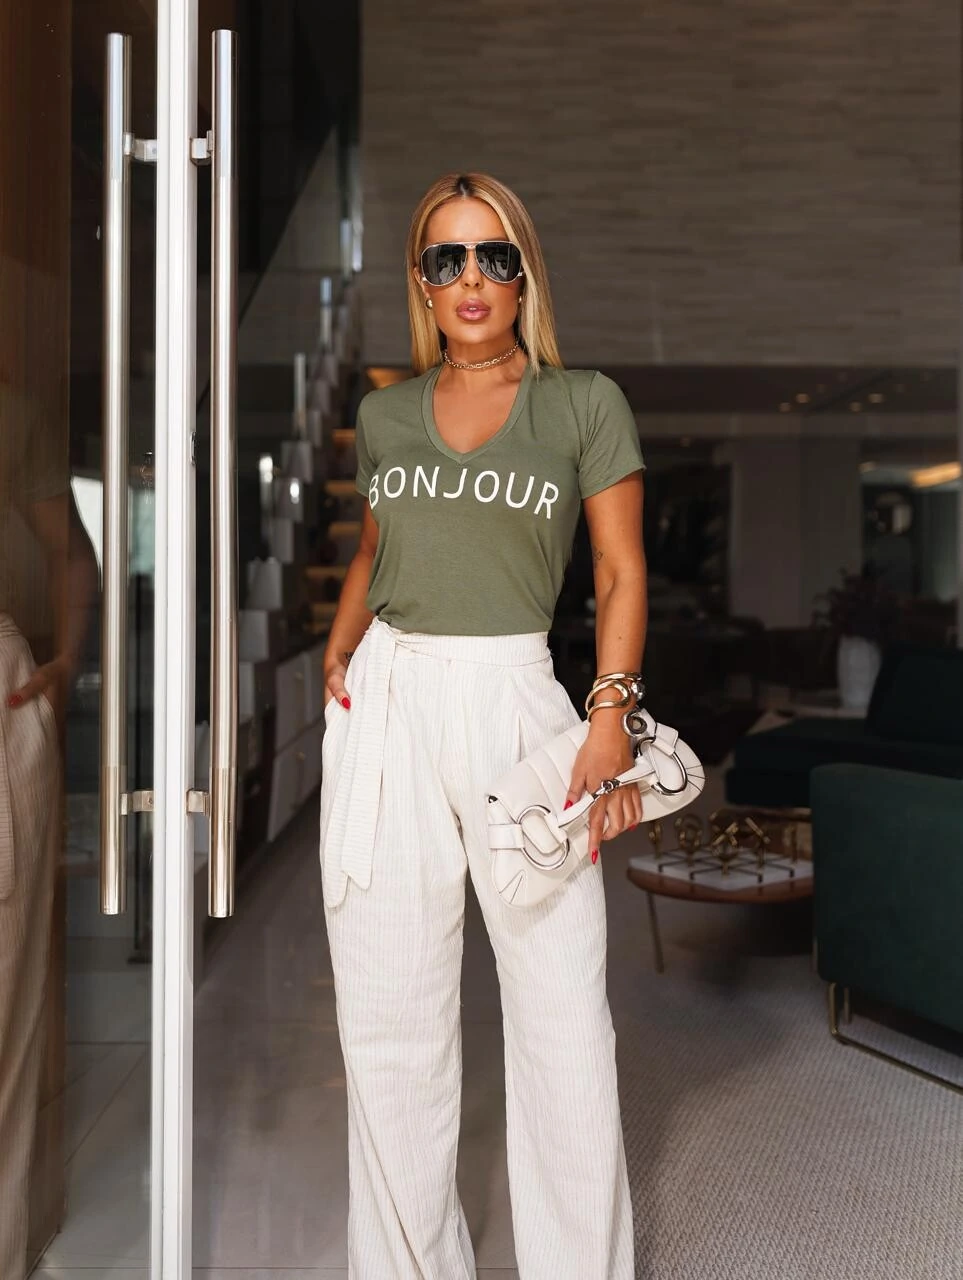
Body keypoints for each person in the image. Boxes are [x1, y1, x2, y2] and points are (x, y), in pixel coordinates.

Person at [320, 172, 646, 1279]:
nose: (471, 278)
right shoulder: (384, 415)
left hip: (518, 700)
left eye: (493, 256)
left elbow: (618, 569)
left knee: (562, 1013)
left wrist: (609, 713)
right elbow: (376, 547)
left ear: (523, 274)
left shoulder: (583, 403)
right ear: (421, 280)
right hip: (391, 698)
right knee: (391, 1016)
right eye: (446, 258)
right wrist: (339, 645)